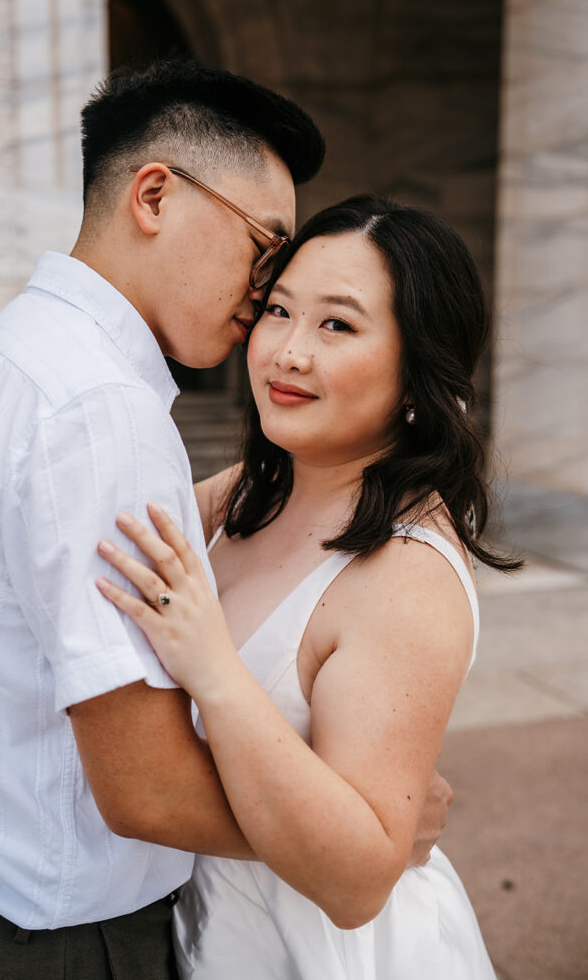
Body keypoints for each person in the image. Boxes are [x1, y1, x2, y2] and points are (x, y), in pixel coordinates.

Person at [0, 63, 451, 980]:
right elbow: (147, 789)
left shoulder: (25, 348)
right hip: (47, 946)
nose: (264, 299)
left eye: (332, 320)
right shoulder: (102, 412)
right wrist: (358, 835)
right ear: (154, 195)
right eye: (264, 249)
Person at [95, 194, 522, 979]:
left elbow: (356, 882)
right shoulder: (238, 496)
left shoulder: (405, 574)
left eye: (337, 325)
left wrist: (212, 667)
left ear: (417, 370)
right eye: (279, 311)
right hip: (211, 929)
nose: (287, 352)